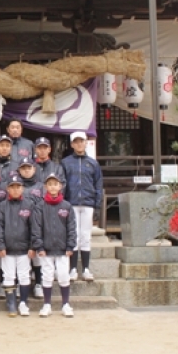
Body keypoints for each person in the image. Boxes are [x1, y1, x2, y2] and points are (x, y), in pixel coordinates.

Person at [0, 175, 40, 317]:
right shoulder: (2, 206)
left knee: (24, 276)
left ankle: (23, 302)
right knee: (8, 276)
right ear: (7, 189)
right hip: (7, 250)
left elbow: (34, 227)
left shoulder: (30, 205)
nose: (15, 190)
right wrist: (0, 245)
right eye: (12, 187)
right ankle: (11, 303)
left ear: (22, 188)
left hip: (24, 249)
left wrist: (33, 246)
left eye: (18, 187)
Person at [60, 131, 103, 282]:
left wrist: (98, 205)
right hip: (70, 203)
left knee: (85, 235)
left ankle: (85, 269)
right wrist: (62, 203)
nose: (79, 144)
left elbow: (98, 184)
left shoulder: (93, 163)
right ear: (72, 144)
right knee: (73, 235)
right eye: (76, 142)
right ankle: (72, 269)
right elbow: (62, 184)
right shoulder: (65, 163)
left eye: (81, 141)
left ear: (86, 143)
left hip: (88, 203)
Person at [35, 173, 77, 318]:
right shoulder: (40, 206)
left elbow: (71, 227)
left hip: (62, 248)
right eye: (50, 184)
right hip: (46, 249)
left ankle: (65, 304)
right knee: (47, 276)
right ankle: (47, 304)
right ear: (45, 187)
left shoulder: (67, 206)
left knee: (64, 275)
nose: (52, 187)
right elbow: (36, 227)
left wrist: (70, 246)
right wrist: (39, 246)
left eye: (55, 184)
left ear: (60, 186)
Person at [17, 156, 44, 298]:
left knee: (37, 256)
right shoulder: (15, 185)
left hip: (37, 224)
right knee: (20, 256)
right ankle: (18, 284)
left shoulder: (41, 186)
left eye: (29, 168)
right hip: (19, 224)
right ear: (19, 170)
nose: (26, 170)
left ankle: (38, 283)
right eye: (23, 168)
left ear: (34, 169)